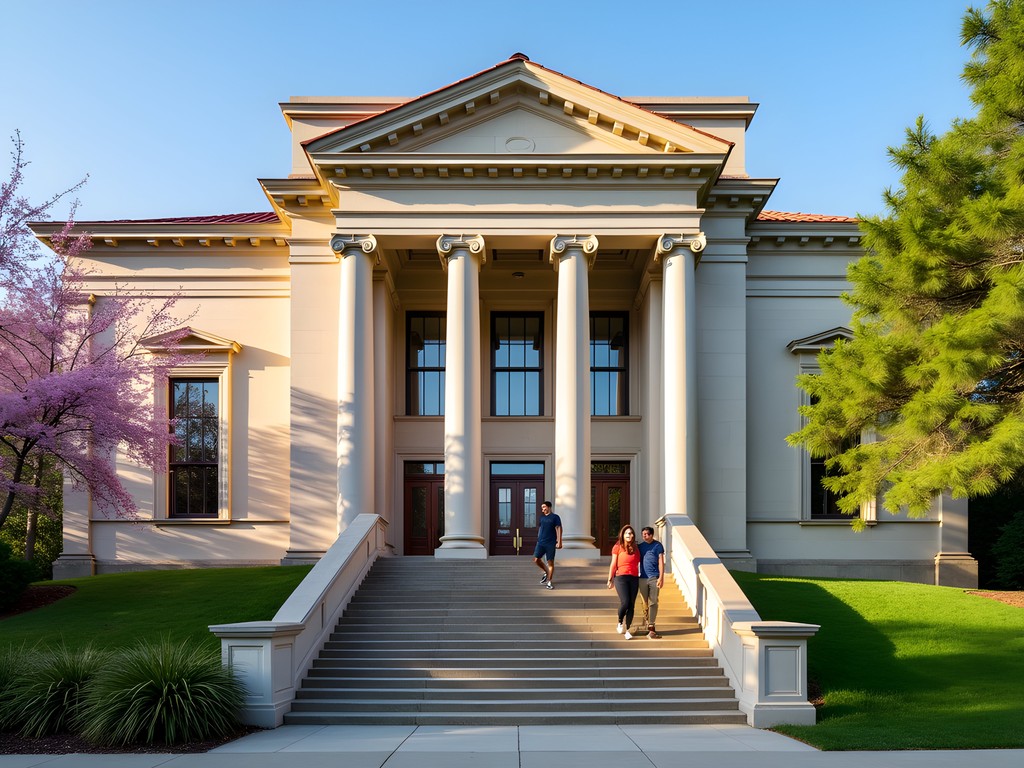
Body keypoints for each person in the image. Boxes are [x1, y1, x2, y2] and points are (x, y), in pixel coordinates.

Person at [606, 524, 640, 639]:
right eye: (626, 533)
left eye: (630, 533)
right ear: (623, 535)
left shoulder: (636, 547)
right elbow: (613, 563)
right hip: (621, 577)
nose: (629, 535)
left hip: (634, 578)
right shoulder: (617, 547)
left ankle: (628, 630)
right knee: (625, 602)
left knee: (631, 605)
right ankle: (620, 621)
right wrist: (610, 578)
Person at [637, 526, 665, 639]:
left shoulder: (658, 546)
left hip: (654, 577)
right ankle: (647, 623)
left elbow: (661, 562)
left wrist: (661, 578)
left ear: (652, 535)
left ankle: (651, 626)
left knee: (653, 602)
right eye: (643, 534)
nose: (645, 536)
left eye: (647, 534)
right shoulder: (639, 547)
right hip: (642, 578)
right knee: (644, 603)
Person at [533, 500, 561, 589]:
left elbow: (559, 528)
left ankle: (549, 581)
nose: (543, 509)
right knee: (536, 560)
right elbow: (540, 528)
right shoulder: (541, 518)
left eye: (544, 507)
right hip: (541, 543)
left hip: (551, 543)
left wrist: (559, 541)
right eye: (542, 508)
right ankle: (546, 572)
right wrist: (538, 539)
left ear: (549, 507)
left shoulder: (555, 517)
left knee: (550, 562)